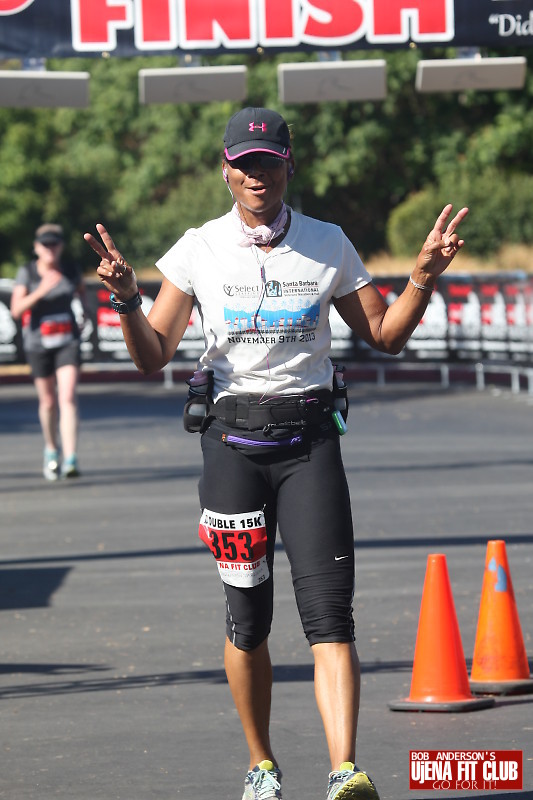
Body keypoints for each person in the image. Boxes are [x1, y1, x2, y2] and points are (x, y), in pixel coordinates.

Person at [84, 107, 468, 800]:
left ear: (289, 164)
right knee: (248, 621)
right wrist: (128, 301)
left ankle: (344, 770)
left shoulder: (327, 242)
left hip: (309, 445)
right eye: (243, 164)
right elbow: (153, 356)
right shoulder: (198, 248)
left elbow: (384, 335)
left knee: (330, 617)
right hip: (231, 448)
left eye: (267, 162)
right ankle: (261, 765)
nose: (255, 175)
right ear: (225, 171)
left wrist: (421, 275)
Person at [11, 223, 87, 480]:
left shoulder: (70, 269)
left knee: (67, 397)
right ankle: (52, 450)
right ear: (36, 248)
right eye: (45, 245)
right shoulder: (28, 272)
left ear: (61, 246)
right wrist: (42, 290)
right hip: (38, 343)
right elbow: (16, 309)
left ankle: (71, 458)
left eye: (54, 244)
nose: (50, 249)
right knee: (48, 401)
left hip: (68, 341)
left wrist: (85, 313)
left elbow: (82, 291)